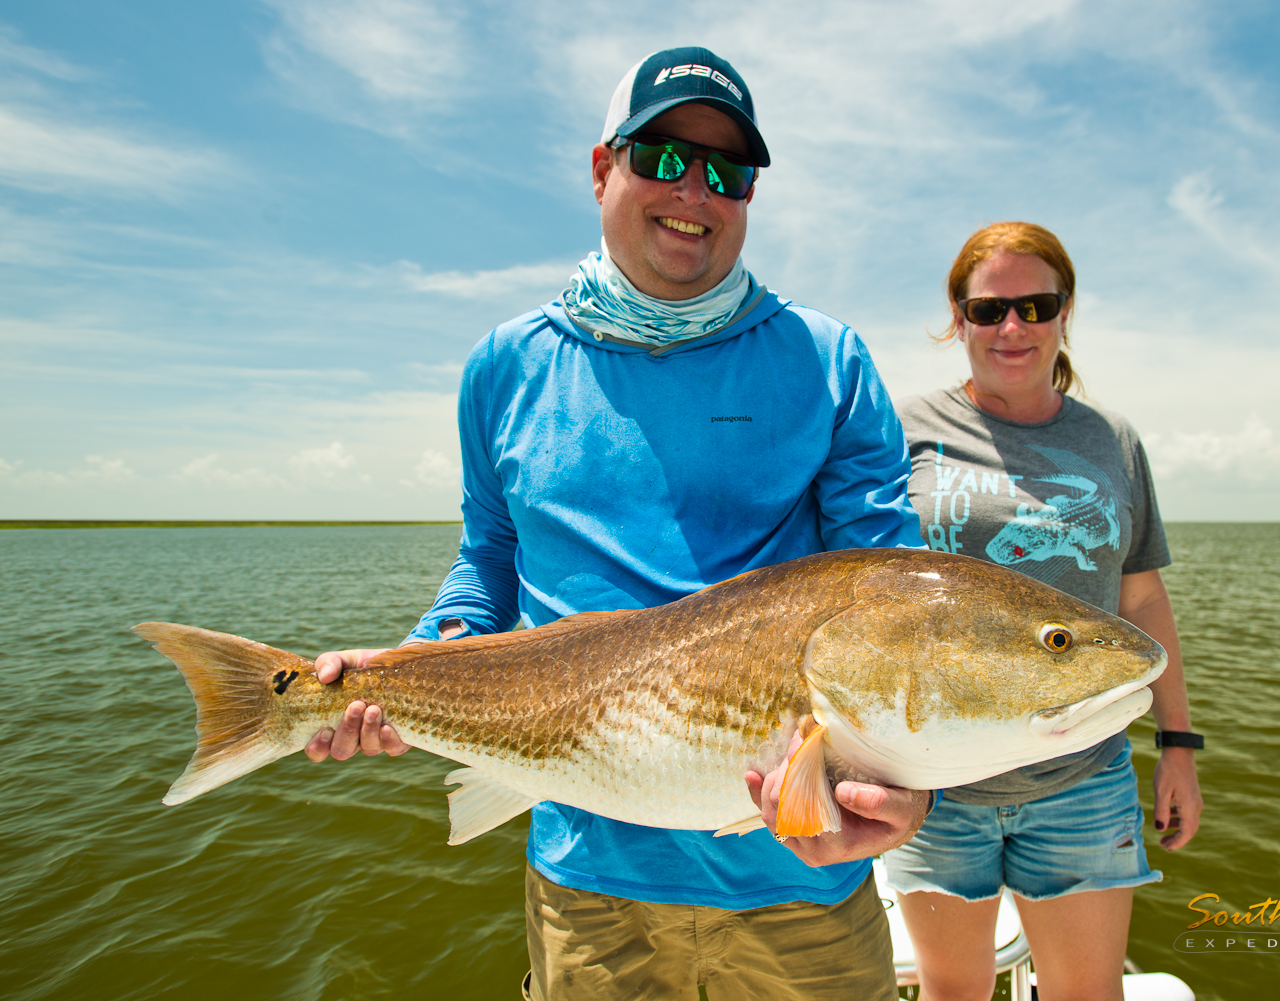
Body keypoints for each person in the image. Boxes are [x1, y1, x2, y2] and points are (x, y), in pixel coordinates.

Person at [299, 47, 931, 1001]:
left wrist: (908, 779)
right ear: (603, 167)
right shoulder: (506, 366)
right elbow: (490, 560)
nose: (696, 189)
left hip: (801, 872)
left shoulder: (827, 358)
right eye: (663, 155)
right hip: (587, 882)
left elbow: (886, 601)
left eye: (728, 171)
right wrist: (420, 661)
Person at [883, 221, 1204, 1001]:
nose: (1013, 327)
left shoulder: (1111, 439)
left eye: (1037, 304)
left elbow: (1140, 596)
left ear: (1066, 313)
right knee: (952, 990)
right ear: (957, 319)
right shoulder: (901, 430)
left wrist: (1179, 743)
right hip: (936, 783)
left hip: (1083, 778)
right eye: (989, 310)